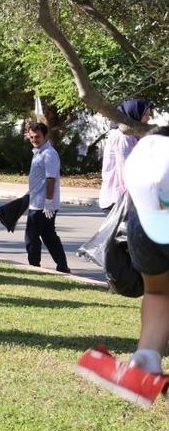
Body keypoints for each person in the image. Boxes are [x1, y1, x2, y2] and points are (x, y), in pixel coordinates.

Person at [75, 126, 169, 407]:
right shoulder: (143, 224)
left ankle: (147, 355)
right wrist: (148, 354)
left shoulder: (143, 222)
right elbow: (159, 293)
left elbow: (159, 293)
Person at [24, 122, 70, 273]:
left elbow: (51, 179)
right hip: (38, 201)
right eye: (31, 137)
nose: (34, 140)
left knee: (31, 236)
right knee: (49, 235)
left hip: (42, 205)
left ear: (45, 136)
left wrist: (48, 202)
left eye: (37, 137)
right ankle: (62, 266)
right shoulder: (39, 152)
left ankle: (34, 265)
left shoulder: (48, 154)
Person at [98, 99, 153, 212]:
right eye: (146, 114)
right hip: (118, 198)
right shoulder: (122, 137)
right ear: (135, 114)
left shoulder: (131, 136)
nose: (149, 118)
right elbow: (125, 169)